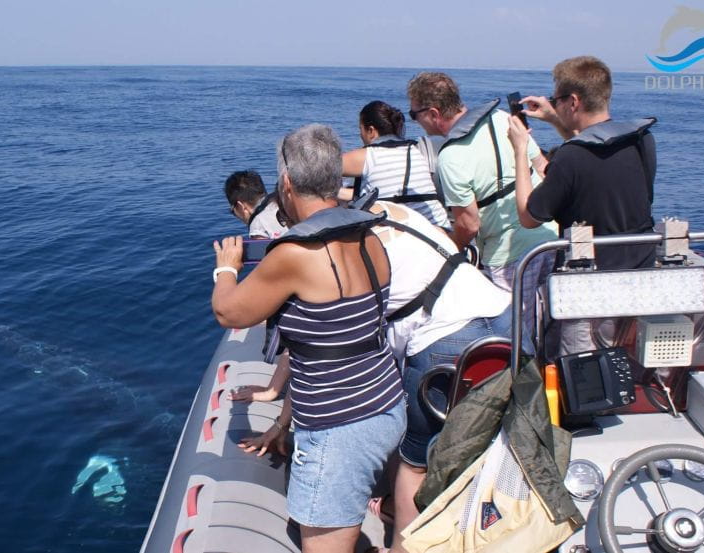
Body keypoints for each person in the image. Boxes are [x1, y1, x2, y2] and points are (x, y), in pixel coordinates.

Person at [211, 124, 405, 553]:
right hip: (387, 402)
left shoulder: (295, 254)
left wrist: (226, 267)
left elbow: (229, 311)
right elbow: (325, 346)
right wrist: (283, 422)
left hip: (340, 429)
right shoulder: (368, 236)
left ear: (285, 183)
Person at [363, 198, 513, 553]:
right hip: (505, 317)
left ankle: (401, 546)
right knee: (492, 437)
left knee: (414, 460)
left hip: (445, 338)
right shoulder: (409, 219)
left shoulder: (360, 244)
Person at [506, 55, 657, 355]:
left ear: (572, 102)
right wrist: (553, 117)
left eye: (556, 100)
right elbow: (590, 150)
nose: (554, 104)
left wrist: (521, 149)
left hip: (591, 288)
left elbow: (528, 215)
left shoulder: (570, 158)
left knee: (583, 381)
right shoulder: (642, 141)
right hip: (641, 275)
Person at [407, 72, 557, 336]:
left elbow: (469, 224)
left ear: (433, 113)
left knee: (517, 335)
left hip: (509, 255)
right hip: (549, 235)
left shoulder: (451, 156)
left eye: (414, 114)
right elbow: (543, 169)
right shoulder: (501, 118)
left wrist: (450, 244)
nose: (415, 121)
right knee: (551, 325)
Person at [340, 101, 449, 228]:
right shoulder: (415, 150)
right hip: (440, 228)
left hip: (402, 233)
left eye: (361, 129)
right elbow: (391, 193)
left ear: (371, 131)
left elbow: (318, 167)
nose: (360, 135)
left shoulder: (369, 155)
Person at [224, 169, 288, 239]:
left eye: (233, 211)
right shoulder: (284, 203)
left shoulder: (258, 226)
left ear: (241, 206)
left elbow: (262, 250)